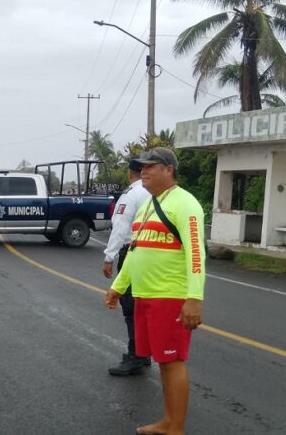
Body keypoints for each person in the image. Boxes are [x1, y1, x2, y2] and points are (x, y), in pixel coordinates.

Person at [105, 147, 206, 435]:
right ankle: (167, 422)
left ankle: (176, 428)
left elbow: (196, 254)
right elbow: (134, 250)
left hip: (169, 297)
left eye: (150, 166)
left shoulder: (185, 203)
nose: (143, 172)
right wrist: (118, 286)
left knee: (172, 362)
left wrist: (194, 298)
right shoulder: (149, 204)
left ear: (168, 170)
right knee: (163, 362)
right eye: (142, 167)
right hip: (145, 296)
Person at [103, 159, 152, 376]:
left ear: (130, 173)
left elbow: (121, 227)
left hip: (132, 251)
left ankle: (136, 355)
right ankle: (144, 352)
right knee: (143, 305)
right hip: (151, 255)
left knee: (131, 306)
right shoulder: (155, 192)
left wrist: (109, 257)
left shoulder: (132, 194)